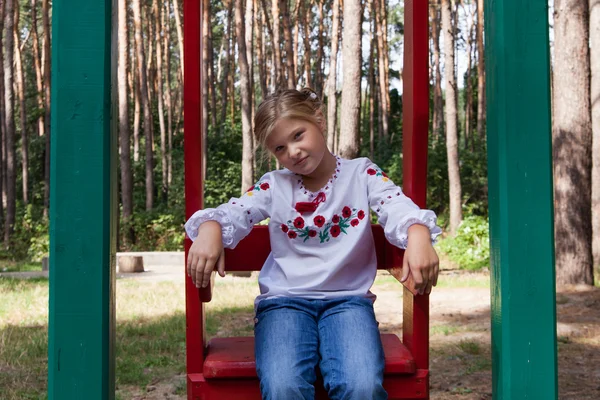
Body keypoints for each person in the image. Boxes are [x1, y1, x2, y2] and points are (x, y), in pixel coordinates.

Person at [185, 88, 441, 400]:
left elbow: (396, 205)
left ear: (318, 120)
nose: (292, 151)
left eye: (298, 135)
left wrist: (417, 231)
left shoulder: (361, 173)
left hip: (348, 302)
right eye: (280, 147)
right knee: (284, 386)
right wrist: (211, 227)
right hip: (283, 303)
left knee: (361, 386)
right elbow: (235, 213)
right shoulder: (273, 185)